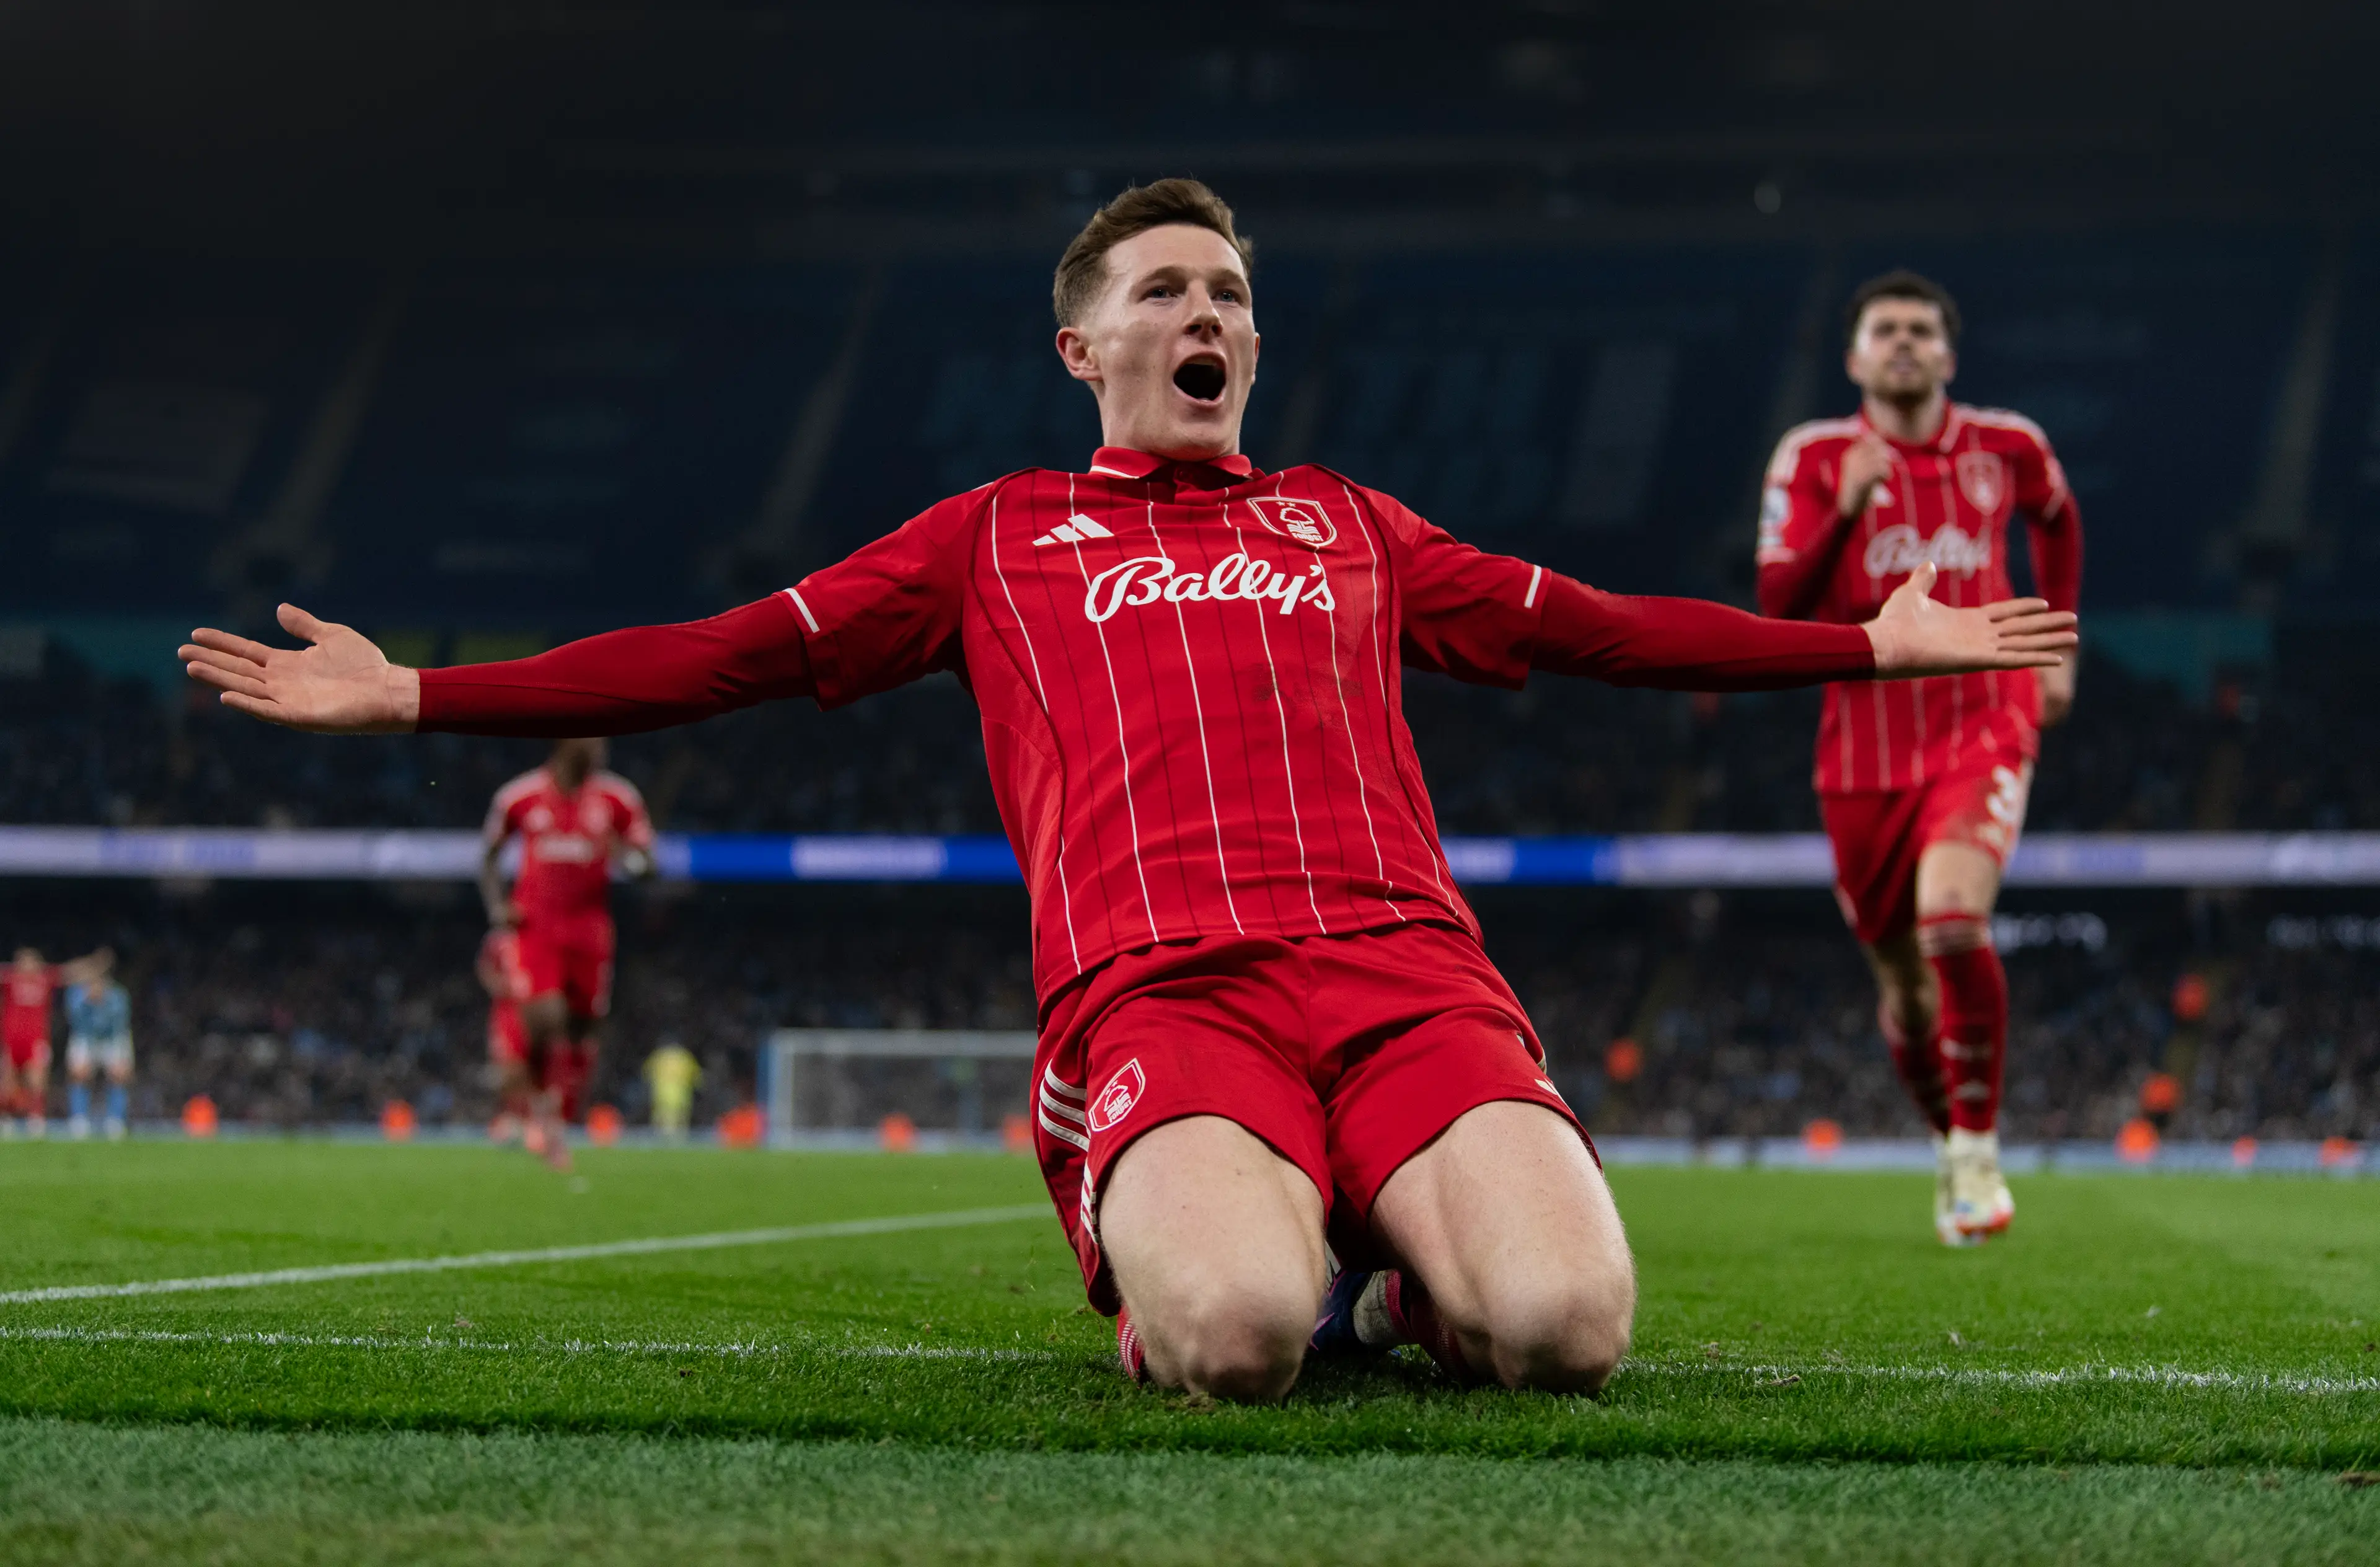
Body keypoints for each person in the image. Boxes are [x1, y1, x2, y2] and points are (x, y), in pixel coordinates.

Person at [181, 179, 2074, 1401]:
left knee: (1566, 1332)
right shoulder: (989, 538)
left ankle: (1392, 1269)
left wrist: (1863, 644)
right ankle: (1162, 1196)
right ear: (1084, 345)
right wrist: (419, 693)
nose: (1211, 315)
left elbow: (1603, 627)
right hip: (1161, 992)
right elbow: (719, 653)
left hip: (1410, 974)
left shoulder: (1352, 523)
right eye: (1169, 287)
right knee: (1236, 1339)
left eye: (1233, 293)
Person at [1756, 270, 2083, 1247]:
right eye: (1884, 330)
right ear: (1855, 357)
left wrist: (2058, 648)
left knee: (1953, 921)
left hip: (1984, 713)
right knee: (1902, 985)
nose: (1903, 343)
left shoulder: (2008, 444)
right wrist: (1848, 510)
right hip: (1861, 745)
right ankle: (1951, 1143)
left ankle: (1979, 1152)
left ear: (1948, 352)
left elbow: (2059, 522)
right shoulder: (1813, 458)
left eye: (1921, 330)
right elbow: (1779, 606)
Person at [480, 738, 655, 1171]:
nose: (601, 749)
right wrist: (497, 906)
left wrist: (627, 859)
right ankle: (541, 1116)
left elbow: (648, 862)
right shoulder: (519, 796)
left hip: (591, 931)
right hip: (536, 929)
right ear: (565, 742)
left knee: (581, 1032)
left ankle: (555, 1122)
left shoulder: (618, 798)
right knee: (544, 1020)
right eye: (592, 740)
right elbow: (488, 855)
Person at [4, 947, 100, 1138]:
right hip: (11, 1041)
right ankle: (7, 1119)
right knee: (9, 1082)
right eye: (22, 961)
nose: (27, 965)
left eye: (31, 961)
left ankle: (36, 1118)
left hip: (36, 1041)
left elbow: (70, 973)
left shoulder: (45, 979)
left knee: (37, 1080)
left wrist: (95, 962)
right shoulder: (9, 979)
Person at [63, 948, 134, 1141]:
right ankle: (79, 1120)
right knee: (79, 1073)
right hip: (85, 1038)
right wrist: (88, 1002)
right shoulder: (77, 995)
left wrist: (102, 1003)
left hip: (112, 1038)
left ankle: (116, 1121)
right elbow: (73, 1020)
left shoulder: (118, 996)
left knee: (119, 1075)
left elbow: (120, 1024)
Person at [476, 924, 535, 1144]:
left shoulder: (538, 936)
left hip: (531, 1008)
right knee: (508, 1067)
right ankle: (509, 1118)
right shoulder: (498, 938)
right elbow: (484, 967)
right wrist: (498, 985)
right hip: (507, 1012)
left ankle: (529, 1121)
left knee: (531, 1067)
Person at [643, 1039, 702, 1142]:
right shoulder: (684, 1056)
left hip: (661, 1091)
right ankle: (678, 1140)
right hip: (681, 1092)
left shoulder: (659, 1056)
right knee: (680, 1116)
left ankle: (661, 1138)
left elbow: (646, 1072)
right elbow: (695, 1075)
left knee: (662, 1115)